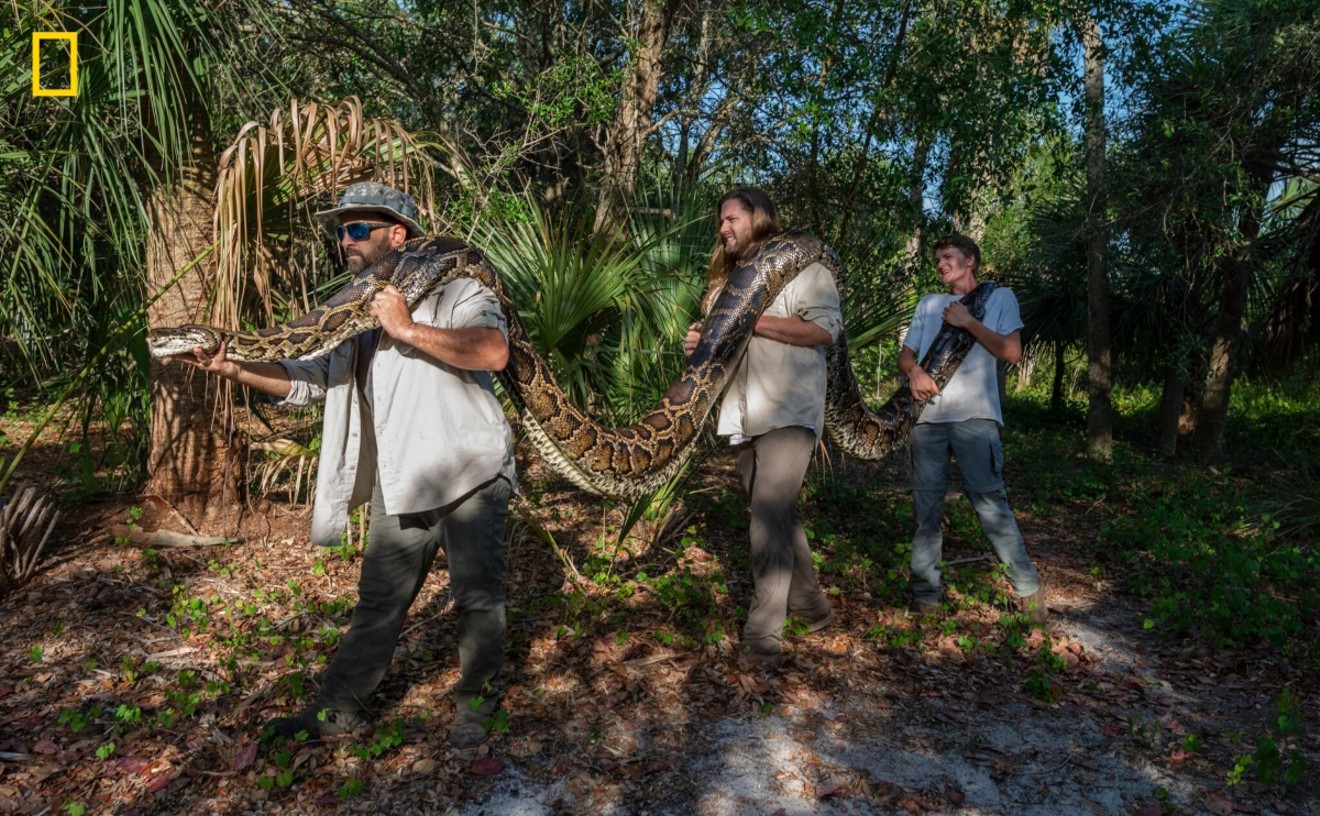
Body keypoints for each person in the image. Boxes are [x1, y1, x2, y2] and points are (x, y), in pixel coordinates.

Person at [170, 182, 516, 747]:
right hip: (401, 477)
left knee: (477, 599)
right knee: (378, 603)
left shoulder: (456, 287)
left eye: (358, 230)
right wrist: (231, 367)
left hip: (467, 470)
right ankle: (338, 711)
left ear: (397, 235)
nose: (345, 241)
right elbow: (306, 383)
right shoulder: (352, 314)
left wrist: (405, 327)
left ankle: (477, 706)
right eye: (340, 231)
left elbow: (493, 350)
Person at [683, 187, 841, 667]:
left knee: (767, 515)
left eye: (732, 218)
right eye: (721, 221)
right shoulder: (725, 284)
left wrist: (750, 321)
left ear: (760, 218)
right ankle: (812, 607)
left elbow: (823, 331)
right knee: (775, 513)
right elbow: (720, 345)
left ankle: (762, 635)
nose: (723, 228)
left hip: (790, 410)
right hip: (744, 413)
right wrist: (701, 343)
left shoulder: (805, 270)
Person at [899, 233, 1045, 622]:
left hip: (975, 419)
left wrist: (968, 321)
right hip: (926, 420)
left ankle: (1029, 593)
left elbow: (1012, 353)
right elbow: (906, 354)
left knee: (990, 507)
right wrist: (913, 372)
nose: (942, 264)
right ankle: (926, 598)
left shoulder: (999, 298)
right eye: (937, 260)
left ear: (971, 260)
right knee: (925, 511)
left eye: (948, 257)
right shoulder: (928, 304)